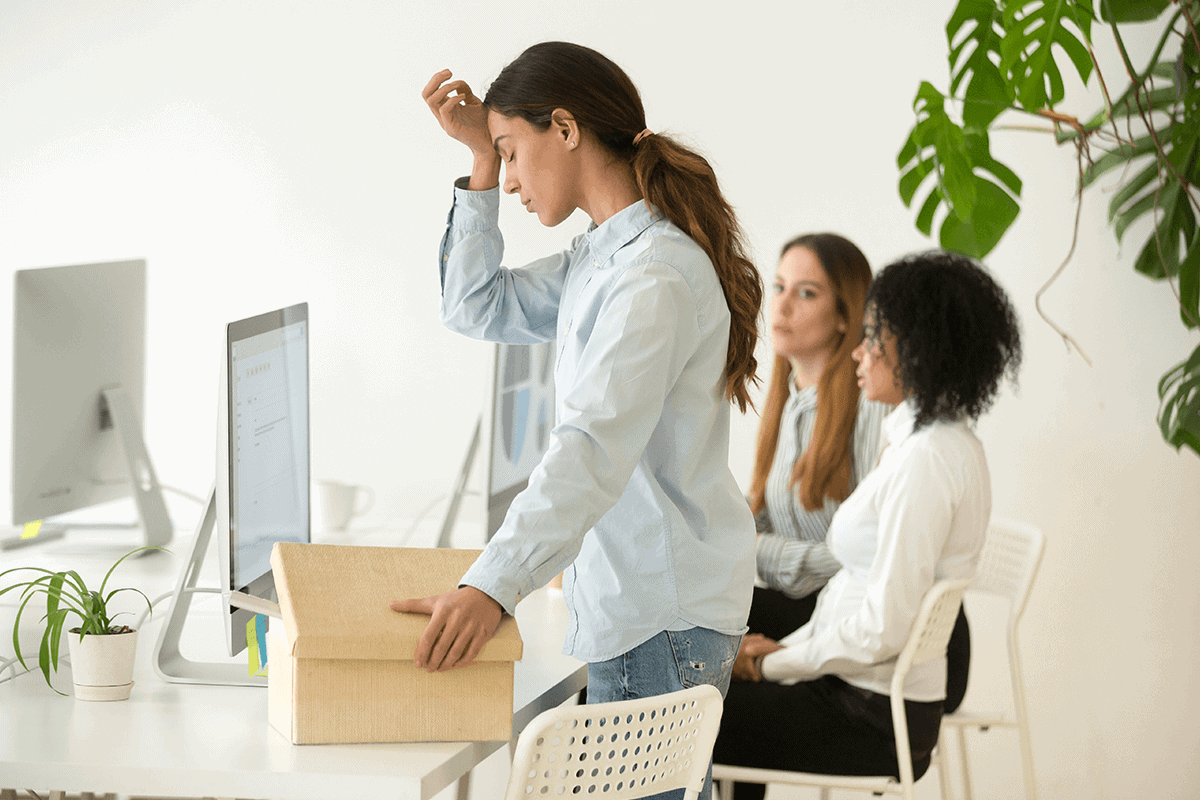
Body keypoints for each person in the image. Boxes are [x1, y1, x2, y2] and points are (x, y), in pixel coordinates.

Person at [394, 40, 763, 800]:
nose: (513, 182)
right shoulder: (603, 257)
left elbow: (590, 449)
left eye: (512, 153)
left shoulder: (650, 278)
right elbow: (475, 305)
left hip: (659, 619)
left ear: (565, 128)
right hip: (651, 612)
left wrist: (492, 587)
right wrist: (480, 159)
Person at [712, 250, 1021, 797]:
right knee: (689, 705)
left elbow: (882, 626)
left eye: (874, 337)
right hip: (862, 696)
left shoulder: (926, 460)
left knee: (672, 723)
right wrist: (783, 654)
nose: (858, 350)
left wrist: (774, 667)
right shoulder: (933, 442)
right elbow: (852, 597)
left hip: (869, 716)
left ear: (919, 349)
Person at [747, 234, 973, 718]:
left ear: (845, 316)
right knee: (704, 618)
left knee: (707, 630)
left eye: (806, 293)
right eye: (779, 287)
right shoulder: (787, 401)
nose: (781, 306)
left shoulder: (881, 411)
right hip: (836, 614)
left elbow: (864, 559)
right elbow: (765, 519)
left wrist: (751, 549)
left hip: (892, 650)